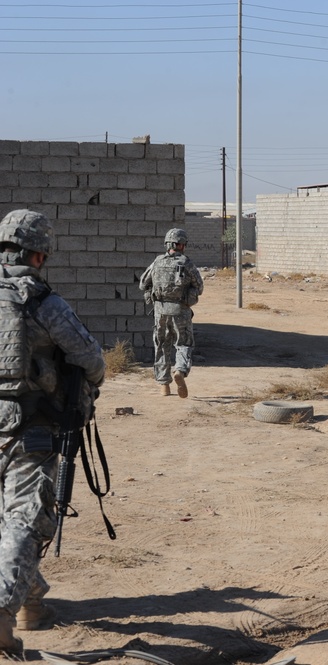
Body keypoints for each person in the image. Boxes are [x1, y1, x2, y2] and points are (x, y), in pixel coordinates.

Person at [0, 209, 105, 653]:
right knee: (26, 518)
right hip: (29, 425)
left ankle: (31, 602)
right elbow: (91, 358)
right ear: (39, 254)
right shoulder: (39, 301)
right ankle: (3, 613)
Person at [139, 228, 204, 398]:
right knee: (183, 343)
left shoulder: (157, 262)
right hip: (180, 310)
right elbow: (199, 286)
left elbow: (143, 283)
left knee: (161, 346)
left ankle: (164, 386)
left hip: (160, 312)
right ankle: (180, 371)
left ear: (168, 244)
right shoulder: (186, 263)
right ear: (182, 245)